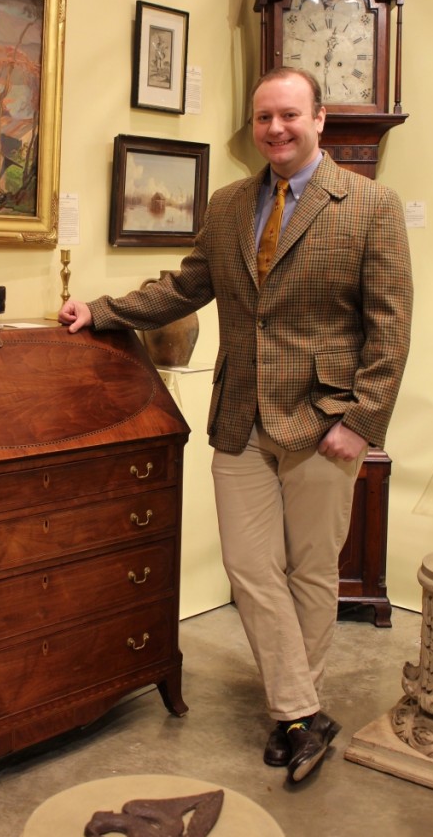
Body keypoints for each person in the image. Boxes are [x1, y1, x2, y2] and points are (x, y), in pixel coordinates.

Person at [58, 66, 413, 783]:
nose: (274, 129)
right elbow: (185, 286)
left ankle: (292, 712)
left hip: (324, 420)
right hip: (239, 416)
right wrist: (100, 312)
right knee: (250, 567)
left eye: (288, 115)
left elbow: (390, 325)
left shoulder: (370, 205)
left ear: (318, 120)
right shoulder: (226, 206)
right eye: (262, 118)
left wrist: (362, 421)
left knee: (312, 569)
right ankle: (300, 711)